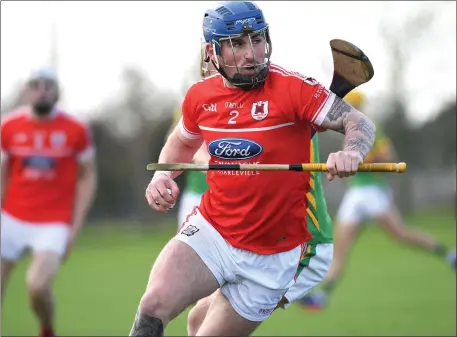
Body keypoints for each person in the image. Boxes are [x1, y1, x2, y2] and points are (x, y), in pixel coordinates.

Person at [131, 1, 376, 336]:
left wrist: (351, 152)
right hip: (212, 232)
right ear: (212, 51)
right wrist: (162, 175)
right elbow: (182, 142)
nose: (252, 53)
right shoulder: (200, 98)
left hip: (272, 256)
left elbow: (356, 121)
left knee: (201, 328)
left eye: (257, 40)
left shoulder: (294, 88)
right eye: (237, 44)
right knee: (153, 304)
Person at [302, 90, 457, 311]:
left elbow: (390, 156)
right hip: (355, 195)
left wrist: (362, 158)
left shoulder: (371, 128)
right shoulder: (345, 132)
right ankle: (323, 295)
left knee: (401, 234)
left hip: (373, 191)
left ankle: (448, 254)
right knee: (340, 246)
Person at [186, 127, 334, 335]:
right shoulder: (237, 107)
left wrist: (351, 152)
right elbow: (197, 148)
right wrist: (211, 164)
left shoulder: (289, 104)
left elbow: (347, 120)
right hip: (261, 241)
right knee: (197, 319)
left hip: (303, 246)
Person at [1, 68, 98, 337]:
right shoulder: (7, 126)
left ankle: (46, 329)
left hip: (53, 223)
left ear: (57, 91)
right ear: (25, 91)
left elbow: (87, 178)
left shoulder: (76, 129)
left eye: (48, 85)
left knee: (37, 286)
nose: (42, 89)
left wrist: (74, 227)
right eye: (35, 84)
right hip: (11, 217)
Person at [165, 49, 214, 230]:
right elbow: (174, 142)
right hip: (197, 194)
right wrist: (201, 158)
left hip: (231, 197)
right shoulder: (190, 103)